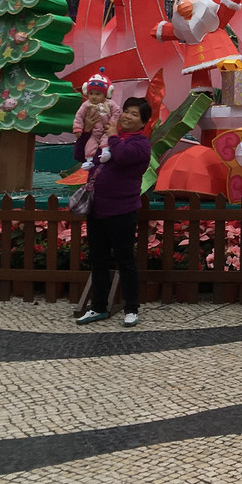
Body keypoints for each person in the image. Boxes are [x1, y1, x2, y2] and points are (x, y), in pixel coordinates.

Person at [74, 96, 152, 328]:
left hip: (122, 211)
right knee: (98, 260)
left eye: (134, 114)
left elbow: (123, 156)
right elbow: (80, 155)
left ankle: (131, 308)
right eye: (126, 111)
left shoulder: (140, 144)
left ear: (143, 123)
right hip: (97, 209)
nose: (127, 116)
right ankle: (98, 307)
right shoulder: (103, 140)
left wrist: (113, 135)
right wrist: (87, 132)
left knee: (125, 260)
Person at [73, 73, 115, 169]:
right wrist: (82, 129)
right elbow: (78, 116)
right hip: (93, 134)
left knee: (105, 141)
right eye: (91, 94)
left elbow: (116, 113)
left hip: (106, 132)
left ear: (106, 94)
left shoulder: (111, 107)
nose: (94, 97)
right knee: (90, 146)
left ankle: (105, 152)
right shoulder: (86, 106)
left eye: (98, 94)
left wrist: (111, 124)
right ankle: (90, 160)